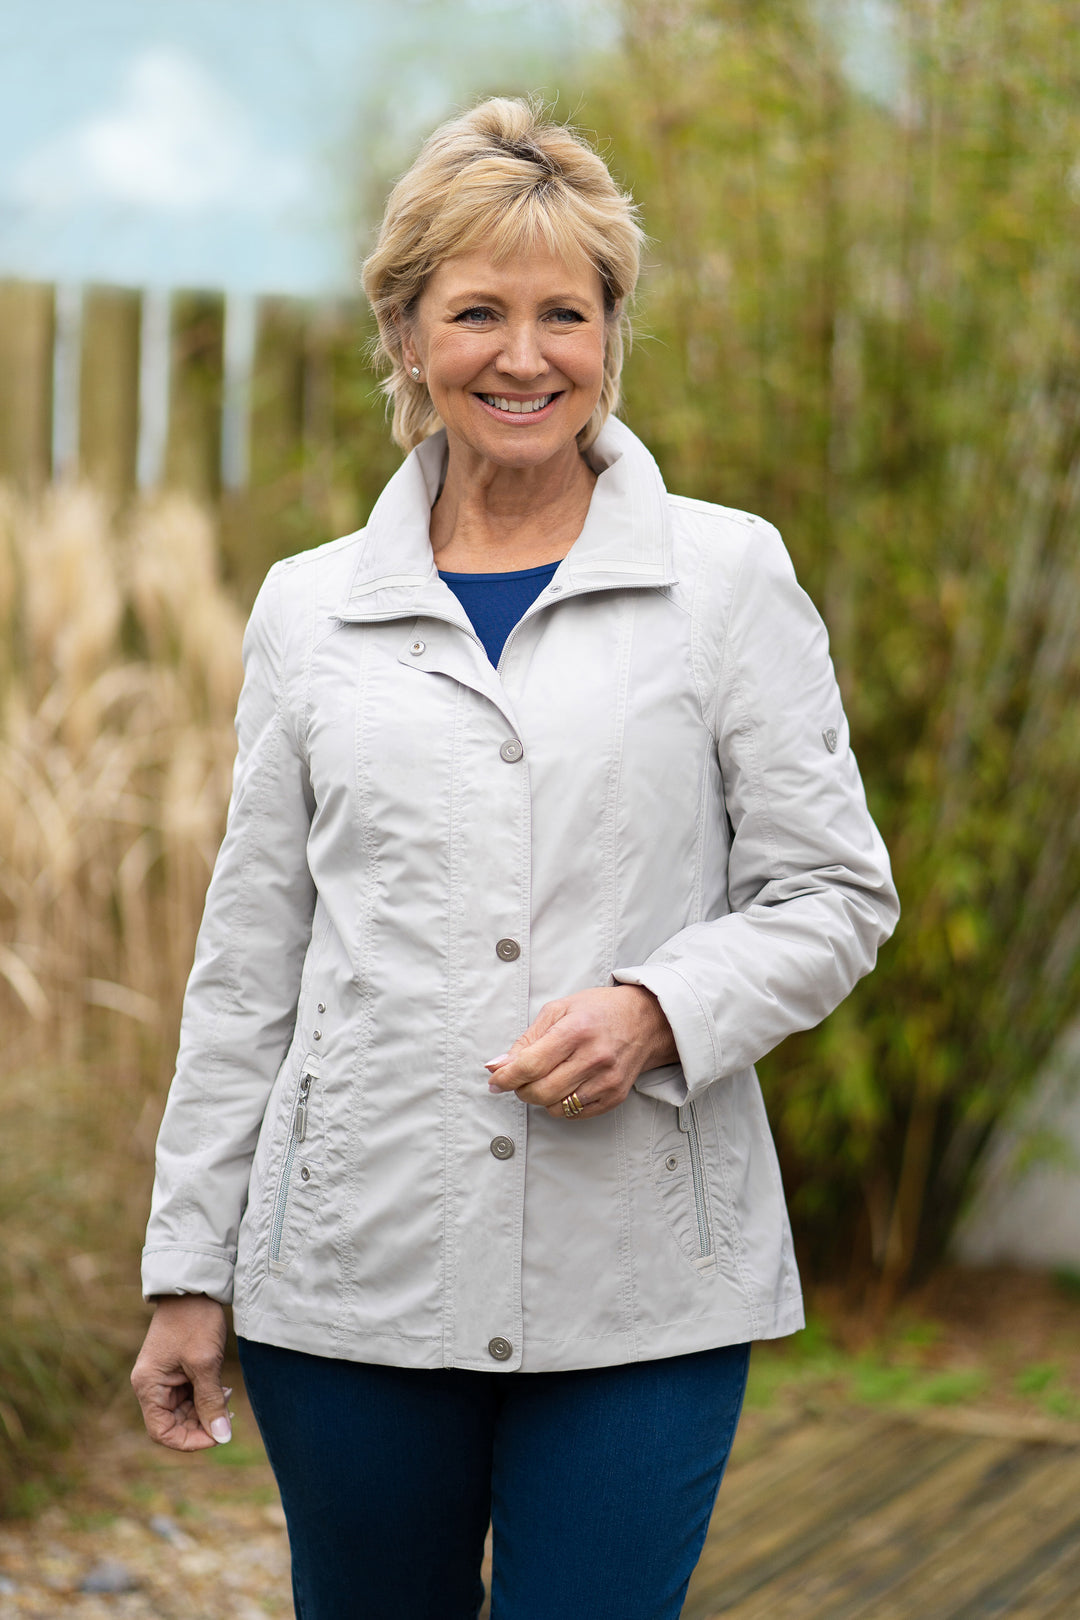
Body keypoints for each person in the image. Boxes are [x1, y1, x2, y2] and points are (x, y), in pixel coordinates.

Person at [131, 97, 898, 1620]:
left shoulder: (724, 579)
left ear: (613, 333)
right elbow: (250, 960)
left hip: (641, 1287)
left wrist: (661, 1009)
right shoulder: (309, 609)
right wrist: (187, 1268)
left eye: (566, 312)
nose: (524, 355)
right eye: (478, 311)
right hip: (349, 1279)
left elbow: (834, 893)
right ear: (406, 335)